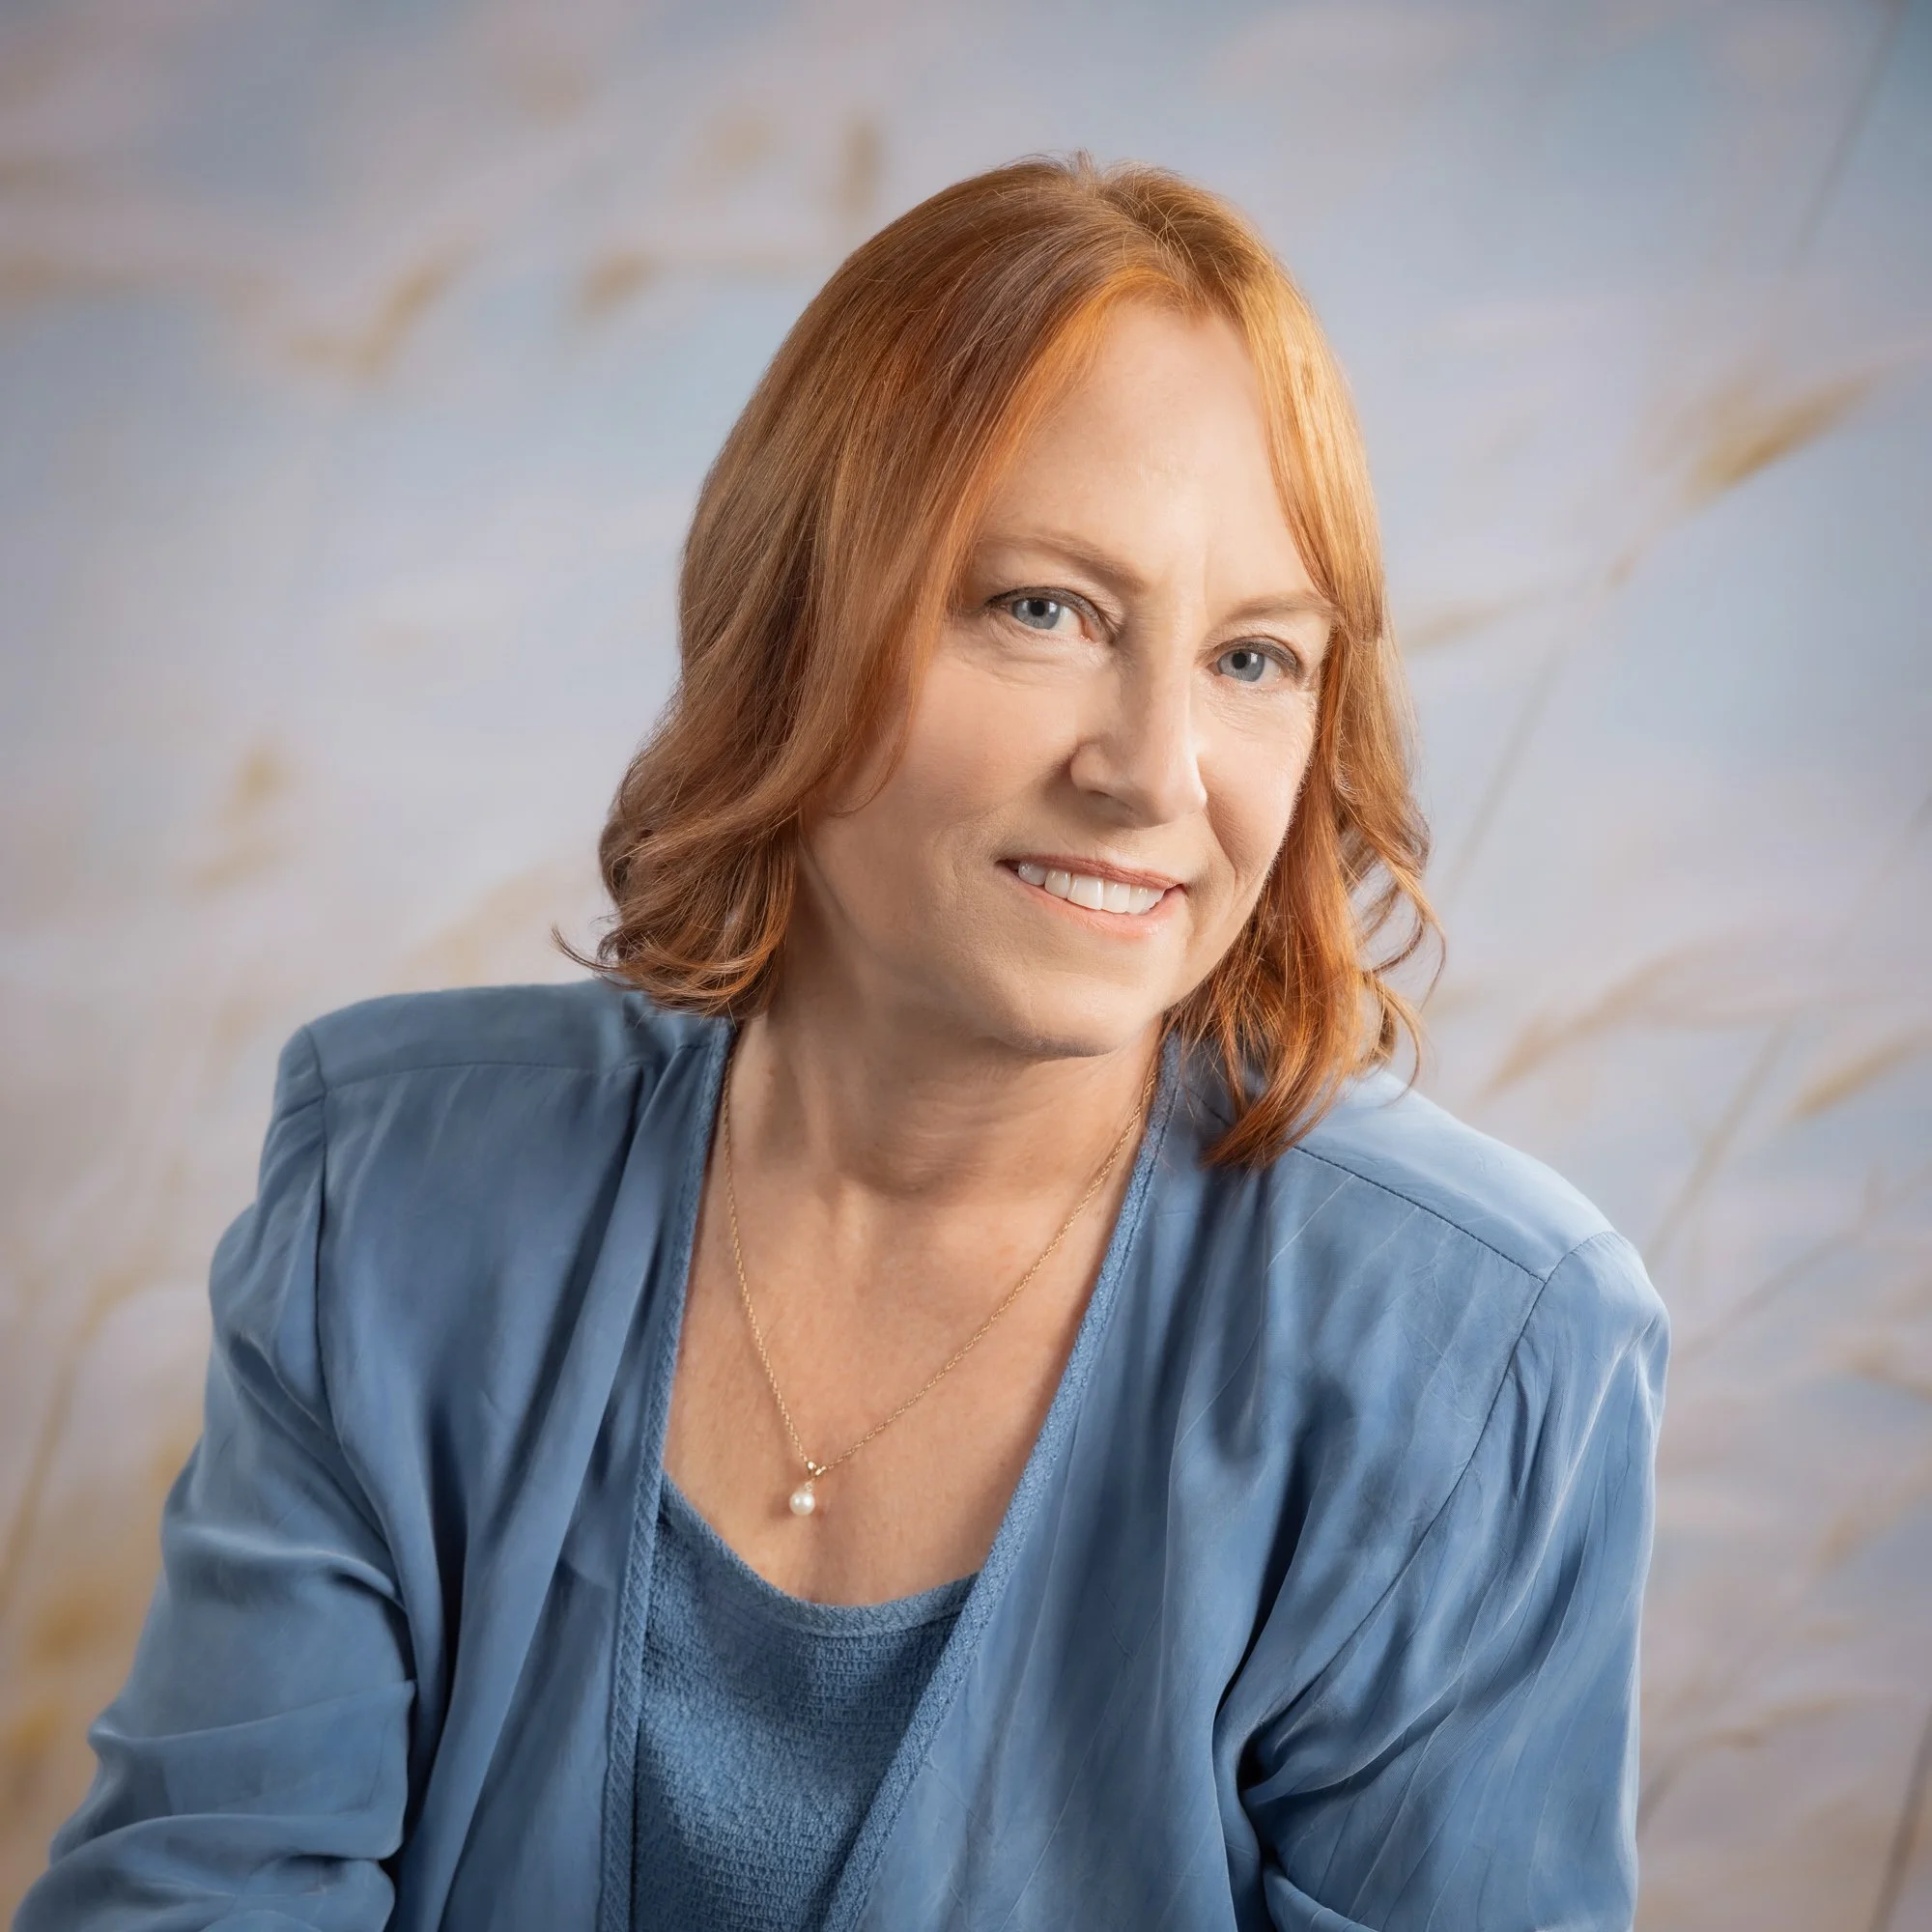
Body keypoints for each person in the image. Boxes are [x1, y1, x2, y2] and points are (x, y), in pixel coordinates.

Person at [18, 156, 1667, 1932]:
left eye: (1255, 659)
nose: (1154, 775)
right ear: (795, 621)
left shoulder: (1486, 1356)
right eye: (1046, 610)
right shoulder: (400, 1193)